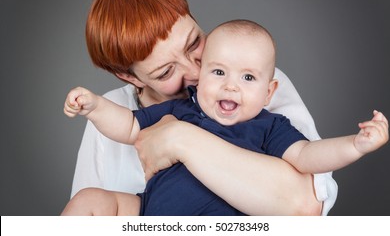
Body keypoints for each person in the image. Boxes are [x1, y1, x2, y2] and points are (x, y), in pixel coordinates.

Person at [69, 0, 338, 215]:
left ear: (194, 20)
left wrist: (179, 139)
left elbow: (307, 205)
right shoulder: (111, 109)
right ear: (129, 77)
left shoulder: (254, 85)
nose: (196, 73)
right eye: (165, 72)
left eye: (194, 43)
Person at [62, 19, 388, 216]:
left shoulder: (269, 126)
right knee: (89, 201)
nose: (231, 85)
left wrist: (355, 145)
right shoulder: (182, 110)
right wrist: (94, 107)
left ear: (269, 91)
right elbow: (129, 125)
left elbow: (309, 157)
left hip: (221, 222)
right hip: (150, 212)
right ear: (201, 75)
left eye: (248, 78)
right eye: (218, 72)